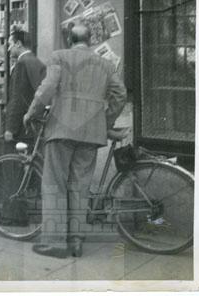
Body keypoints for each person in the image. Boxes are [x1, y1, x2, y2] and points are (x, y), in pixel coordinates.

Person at [23, 23, 127, 259]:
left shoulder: (59, 57)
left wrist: (31, 112)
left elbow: (47, 88)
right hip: (91, 134)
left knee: (54, 183)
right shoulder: (105, 64)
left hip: (61, 129)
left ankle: (54, 242)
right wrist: (105, 122)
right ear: (90, 40)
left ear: (70, 39)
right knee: (80, 186)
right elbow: (120, 94)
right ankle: (77, 241)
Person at [4, 30, 46, 143]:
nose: (8, 49)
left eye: (10, 45)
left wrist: (10, 128)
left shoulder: (22, 64)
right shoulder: (36, 61)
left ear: (18, 43)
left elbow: (18, 97)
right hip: (35, 120)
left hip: (23, 124)